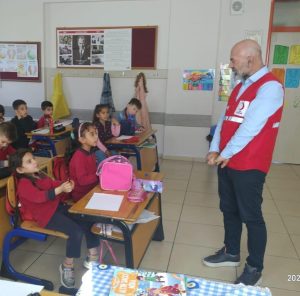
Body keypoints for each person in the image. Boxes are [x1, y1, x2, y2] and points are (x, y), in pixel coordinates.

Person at [202, 39, 284, 286]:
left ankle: (254, 266)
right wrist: (215, 148)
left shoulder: (270, 88)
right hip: (227, 162)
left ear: (251, 58)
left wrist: (225, 153)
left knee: (252, 216)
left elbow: (250, 128)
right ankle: (231, 252)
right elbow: (225, 120)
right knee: (229, 209)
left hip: (250, 166)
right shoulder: (240, 86)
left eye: (234, 59)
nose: (231, 63)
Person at [9, 149, 100, 288]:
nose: (34, 161)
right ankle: (67, 265)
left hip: (57, 208)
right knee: (75, 232)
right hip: (46, 217)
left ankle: (92, 256)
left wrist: (66, 184)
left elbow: (53, 184)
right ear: (20, 170)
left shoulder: (38, 175)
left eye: (33, 158)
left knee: (86, 217)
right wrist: (60, 189)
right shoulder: (24, 185)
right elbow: (40, 197)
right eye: (29, 161)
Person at [69, 122, 99, 202]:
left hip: (92, 189)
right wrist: (99, 175)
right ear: (82, 139)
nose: (96, 137)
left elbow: (93, 172)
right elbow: (82, 181)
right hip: (82, 196)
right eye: (92, 134)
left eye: (96, 133)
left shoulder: (91, 151)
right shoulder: (79, 157)